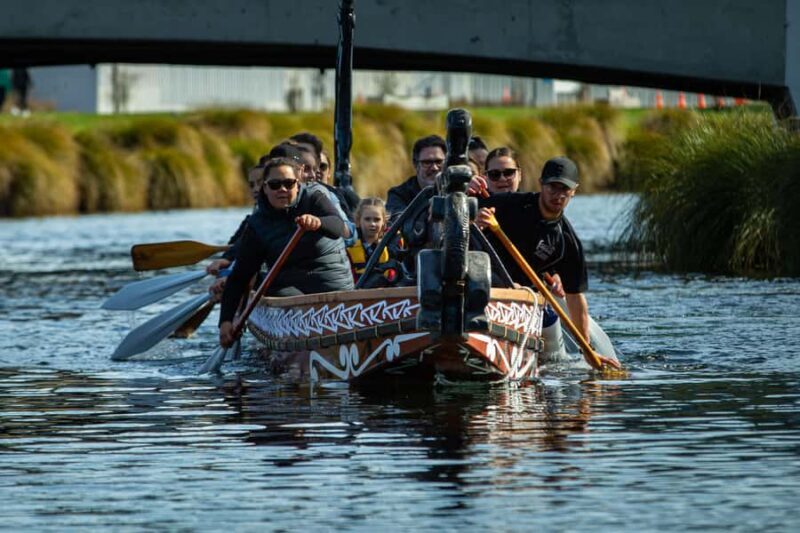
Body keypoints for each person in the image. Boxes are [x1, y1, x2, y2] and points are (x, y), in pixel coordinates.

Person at [470, 156, 604, 355]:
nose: (557, 195)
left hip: (525, 302)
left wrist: (587, 349)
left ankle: (544, 359)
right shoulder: (509, 204)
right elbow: (461, 209)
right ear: (541, 184)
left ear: (574, 191)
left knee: (548, 317)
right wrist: (475, 215)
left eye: (564, 189)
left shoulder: (567, 241)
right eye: (552, 187)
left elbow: (575, 297)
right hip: (486, 285)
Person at [218, 157, 354, 347]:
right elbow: (241, 276)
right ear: (264, 188)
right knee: (275, 290)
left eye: (288, 183)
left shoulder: (314, 198)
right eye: (275, 185)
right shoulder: (258, 225)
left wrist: (319, 222)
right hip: (290, 290)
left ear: (297, 184)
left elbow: (339, 227)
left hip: (332, 284)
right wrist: (225, 322)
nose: (282, 189)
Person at [385, 134, 446, 221]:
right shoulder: (398, 195)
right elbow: (399, 223)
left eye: (439, 162)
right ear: (415, 164)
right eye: (427, 162)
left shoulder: (457, 191)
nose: (434, 168)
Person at [346, 197, 398, 285]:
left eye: (377, 220)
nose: (372, 224)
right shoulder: (349, 245)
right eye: (367, 219)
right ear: (358, 221)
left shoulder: (392, 243)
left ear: (384, 222)